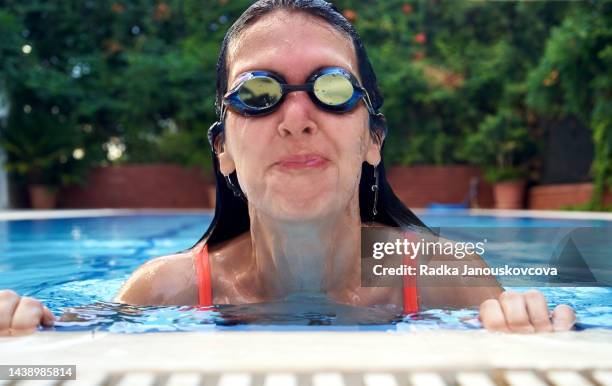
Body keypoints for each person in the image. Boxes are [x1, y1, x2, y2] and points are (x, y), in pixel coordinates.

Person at [0, 0, 575, 336]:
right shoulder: (165, 287)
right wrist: (24, 323)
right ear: (222, 148)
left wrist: (533, 326)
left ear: (373, 139)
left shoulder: (448, 275)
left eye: (332, 88)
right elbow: (62, 344)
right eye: (257, 92)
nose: (297, 117)